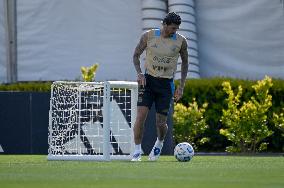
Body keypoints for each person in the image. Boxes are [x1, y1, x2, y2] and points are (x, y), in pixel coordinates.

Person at [131, 12, 189, 161]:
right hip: (148, 82)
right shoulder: (149, 36)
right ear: (164, 24)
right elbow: (136, 55)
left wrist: (181, 86)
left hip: (166, 85)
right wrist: (139, 74)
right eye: (172, 28)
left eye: (176, 29)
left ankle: (159, 142)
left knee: (161, 123)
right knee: (141, 117)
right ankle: (137, 151)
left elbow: (185, 63)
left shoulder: (181, 41)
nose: (174, 31)